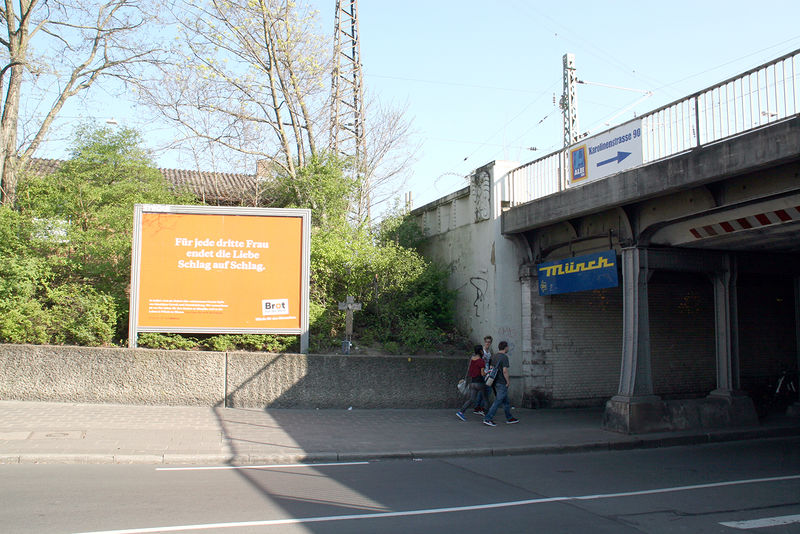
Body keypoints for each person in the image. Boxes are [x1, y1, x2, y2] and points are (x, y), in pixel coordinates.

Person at [484, 341, 519, 426]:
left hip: (495, 381)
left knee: (505, 401)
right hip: (502, 382)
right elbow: (505, 371)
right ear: (505, 347)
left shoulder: (494, 356)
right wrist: (508, 381)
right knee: (498, 401)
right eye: (507, 347)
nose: (508, 348)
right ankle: (488, 418)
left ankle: (509, 417)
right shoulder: (504, 357)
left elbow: (491, 368)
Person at [456, 345, 487, 421]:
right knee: (485, 399)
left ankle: (461, 412)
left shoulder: (472, 360)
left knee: (471, 399)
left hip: (472, 382)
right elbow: (482, 373)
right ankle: (488, 416)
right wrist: (487, 372)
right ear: (481, 351)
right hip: (480, 382)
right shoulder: (481, 361)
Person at [474, 335, 494, 415]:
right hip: (482, 373)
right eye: (486, 342)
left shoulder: (489, 352)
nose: (487, 343)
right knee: (486, 391)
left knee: (483, 391)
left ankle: (478, 407)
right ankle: (480, 407)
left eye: (489, 342)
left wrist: (490, 367)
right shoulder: (482, 351)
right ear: (484, 342)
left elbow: (489, 362)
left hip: (487, 373)